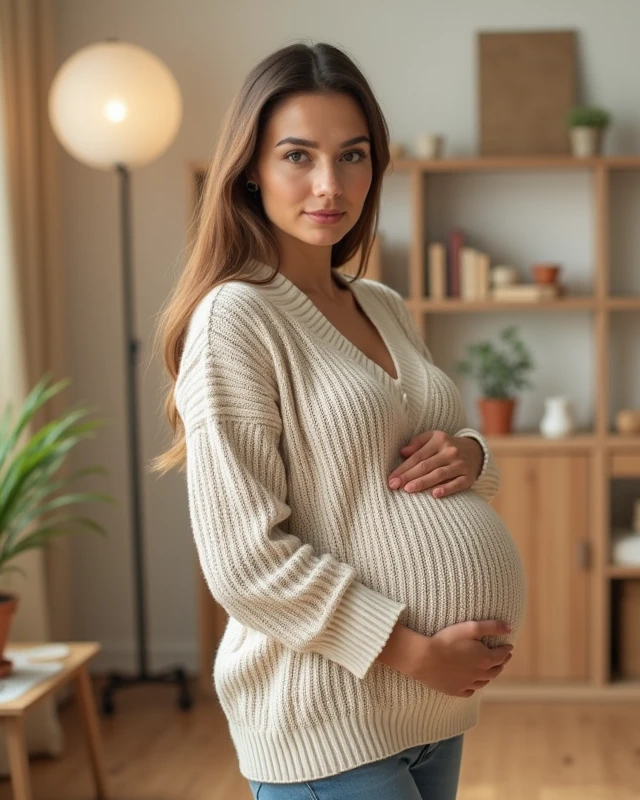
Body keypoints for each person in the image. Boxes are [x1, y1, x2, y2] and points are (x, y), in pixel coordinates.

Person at [153, 41, 527, 800]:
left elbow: (433, 451)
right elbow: (244, 560)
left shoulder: (382, 305)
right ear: (250, 169)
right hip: (327, 715)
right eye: (299, 155)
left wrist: (470, 453)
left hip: (428, 712)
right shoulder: (235, 319)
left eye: (352, 156)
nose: (330, 184)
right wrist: (412, 651)